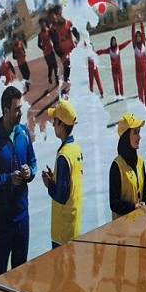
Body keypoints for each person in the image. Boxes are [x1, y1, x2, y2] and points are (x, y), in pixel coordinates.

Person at [0, 86, 35, 277]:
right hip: (2, 220)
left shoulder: (24, 133)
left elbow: (33, 162)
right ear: (5, 111)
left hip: (22, 216)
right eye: (17, 109)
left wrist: (30, 172)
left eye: (21, 108)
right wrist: (8, 179)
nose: (20, 113)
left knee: (21, 272)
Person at [41, 100, 83, 248]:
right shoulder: (75, 149)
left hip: (62, 230)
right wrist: (56, 178)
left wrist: (49, 184)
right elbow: (70, 182)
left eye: (55, 121)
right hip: (74, 223)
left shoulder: (64, 155)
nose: (53, 125)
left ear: (62, 125)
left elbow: (62, 196)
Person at [109, 113, 146, 217]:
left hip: (140, 221)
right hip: (123, 224)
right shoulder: (116, 166)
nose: (139, 137)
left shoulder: (140, 162)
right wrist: (133, 207)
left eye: (139, 132)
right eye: (135, 133)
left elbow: (145, 194)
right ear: (126, 137)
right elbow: (114, 203)